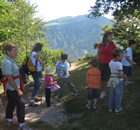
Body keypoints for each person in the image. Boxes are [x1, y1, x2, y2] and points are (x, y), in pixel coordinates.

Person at [1, 43, 29, 130]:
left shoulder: (10, 60)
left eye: (16, 50)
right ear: (8, 52)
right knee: (21, 104)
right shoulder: (7, 62)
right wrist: (18, 90)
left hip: (12, 86)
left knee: (11, 103)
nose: (16, 52)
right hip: (12, 87)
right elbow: (9, 78)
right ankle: (21, 124)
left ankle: (9, 120)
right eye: (14, 50)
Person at [96, 31, 117, 99]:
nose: (112, 37)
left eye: (112, 36)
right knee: (102, 79)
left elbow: (116, 56)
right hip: (101, 63)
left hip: (109, 64)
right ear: (106, 37)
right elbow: (98, 55)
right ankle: (103, 92)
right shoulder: (100, 45)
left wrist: (116, 63)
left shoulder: (113, 46)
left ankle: (114, 92)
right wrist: (95, 64)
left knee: (106, 79)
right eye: (110, 36)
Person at [29, 43, 45, 107]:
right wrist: (41, 62)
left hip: (37, 71)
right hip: (36, 72)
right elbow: (37, 58)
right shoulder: (34, 53)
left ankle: (35, 97)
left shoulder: (35, 53)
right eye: (40, 48)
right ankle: (31, 100)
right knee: (38, 86)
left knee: (37, 85)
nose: (41, 49)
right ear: (39, 48)